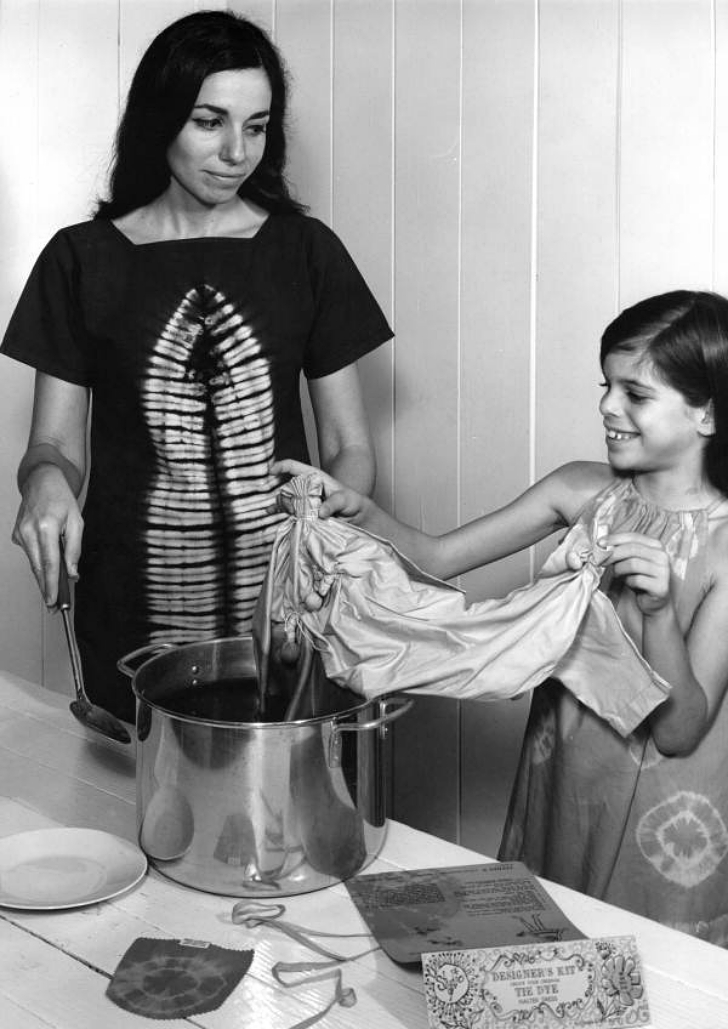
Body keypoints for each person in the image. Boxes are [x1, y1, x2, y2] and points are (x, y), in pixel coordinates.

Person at [277, 290, 728, 944]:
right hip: (566, 780)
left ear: (708, 412)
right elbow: (435, 554)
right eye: (606, 385)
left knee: (652, 974)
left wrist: (658, 612)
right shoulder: (581, 491)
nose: (606, 405)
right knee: (551, 949)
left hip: (665, 817)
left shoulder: (723, 547)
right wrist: (354, 507)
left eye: (635, 393)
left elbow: (682, 730)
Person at [1, 10, 391, 723]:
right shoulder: (80, 258)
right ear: (161, 118)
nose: (236, 151)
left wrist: (331, 519)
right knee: (140, 812)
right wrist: (46, 481)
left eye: (257, 125)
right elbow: (51, 445)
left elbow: (349, 448)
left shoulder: (307, 251)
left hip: (288, 612)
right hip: (130, 613)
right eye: (209, 121)